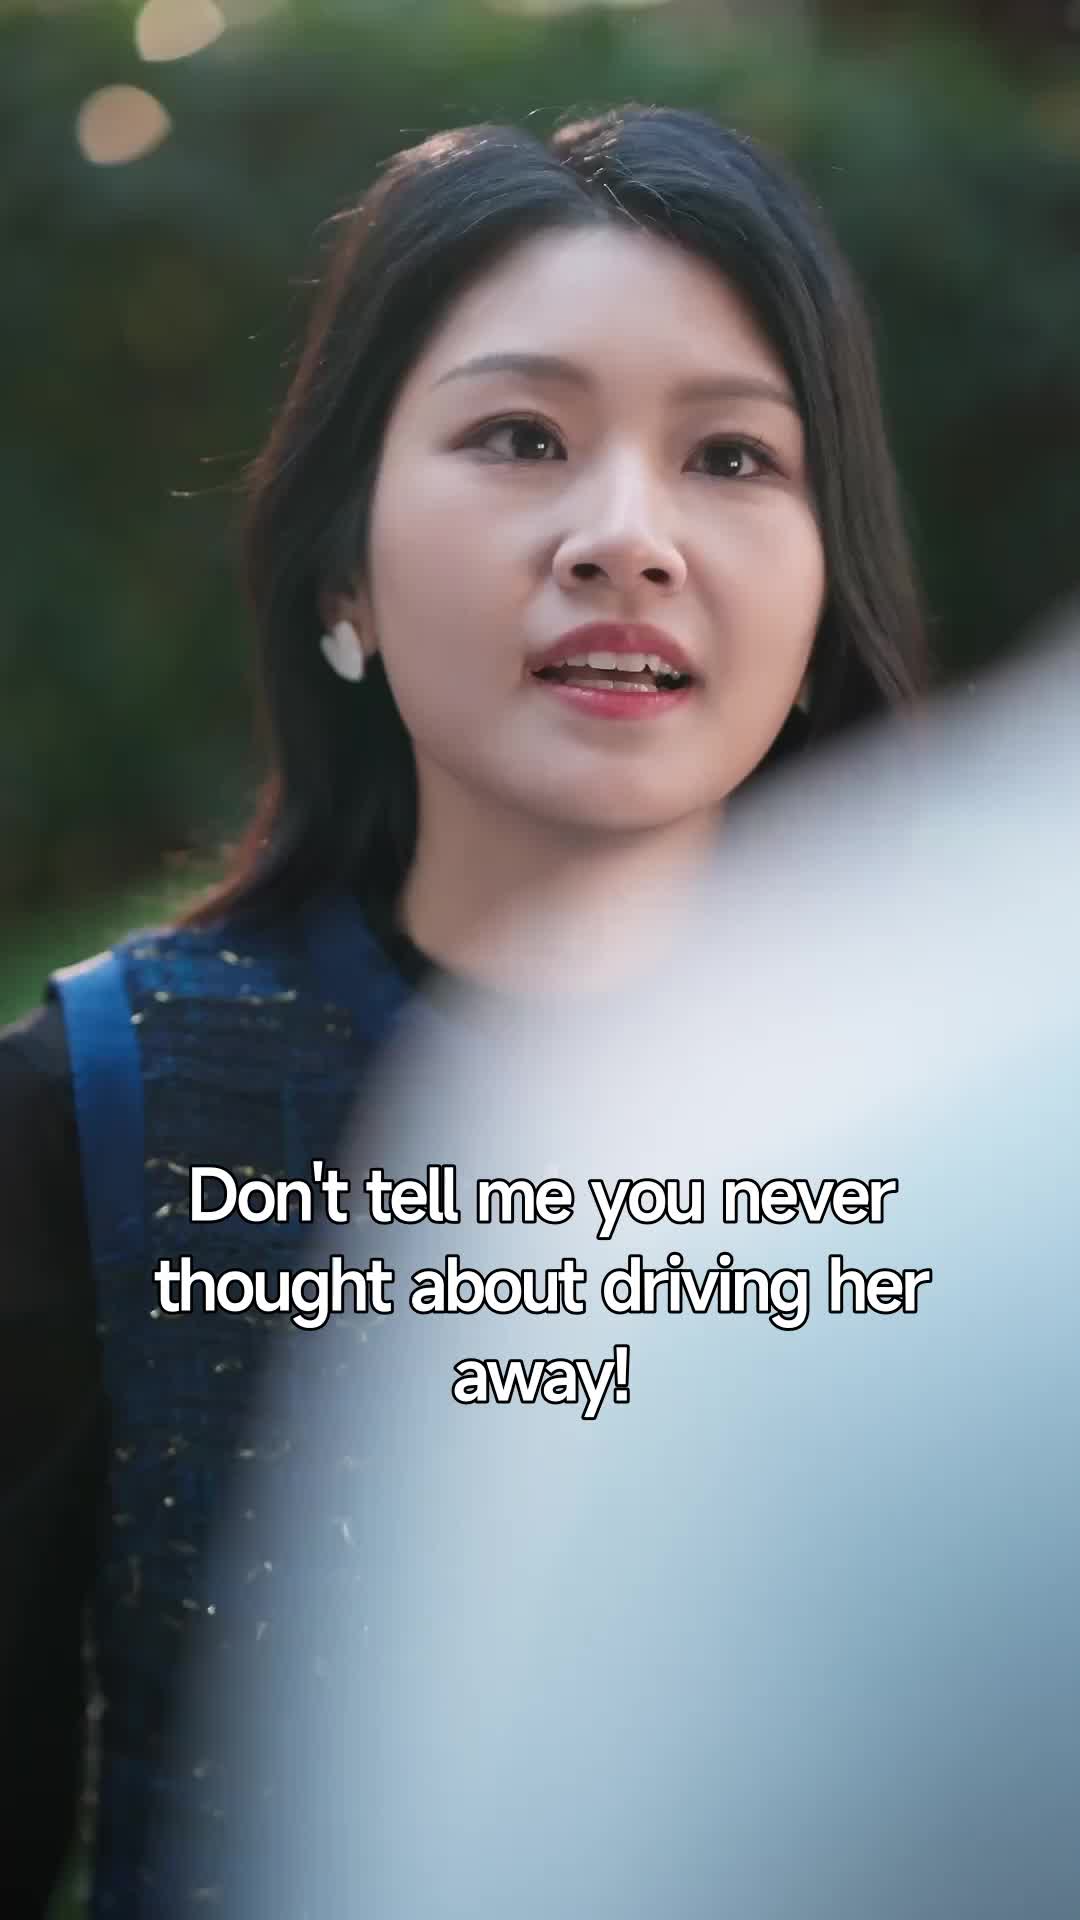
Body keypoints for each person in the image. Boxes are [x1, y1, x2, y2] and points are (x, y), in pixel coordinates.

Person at [0, 104, 927, 1915]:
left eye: (733, 456)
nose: (625, 537)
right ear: (341, 567)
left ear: (827, 594)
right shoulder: (85, 1128)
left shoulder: (989, 1156)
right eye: (522, 438)